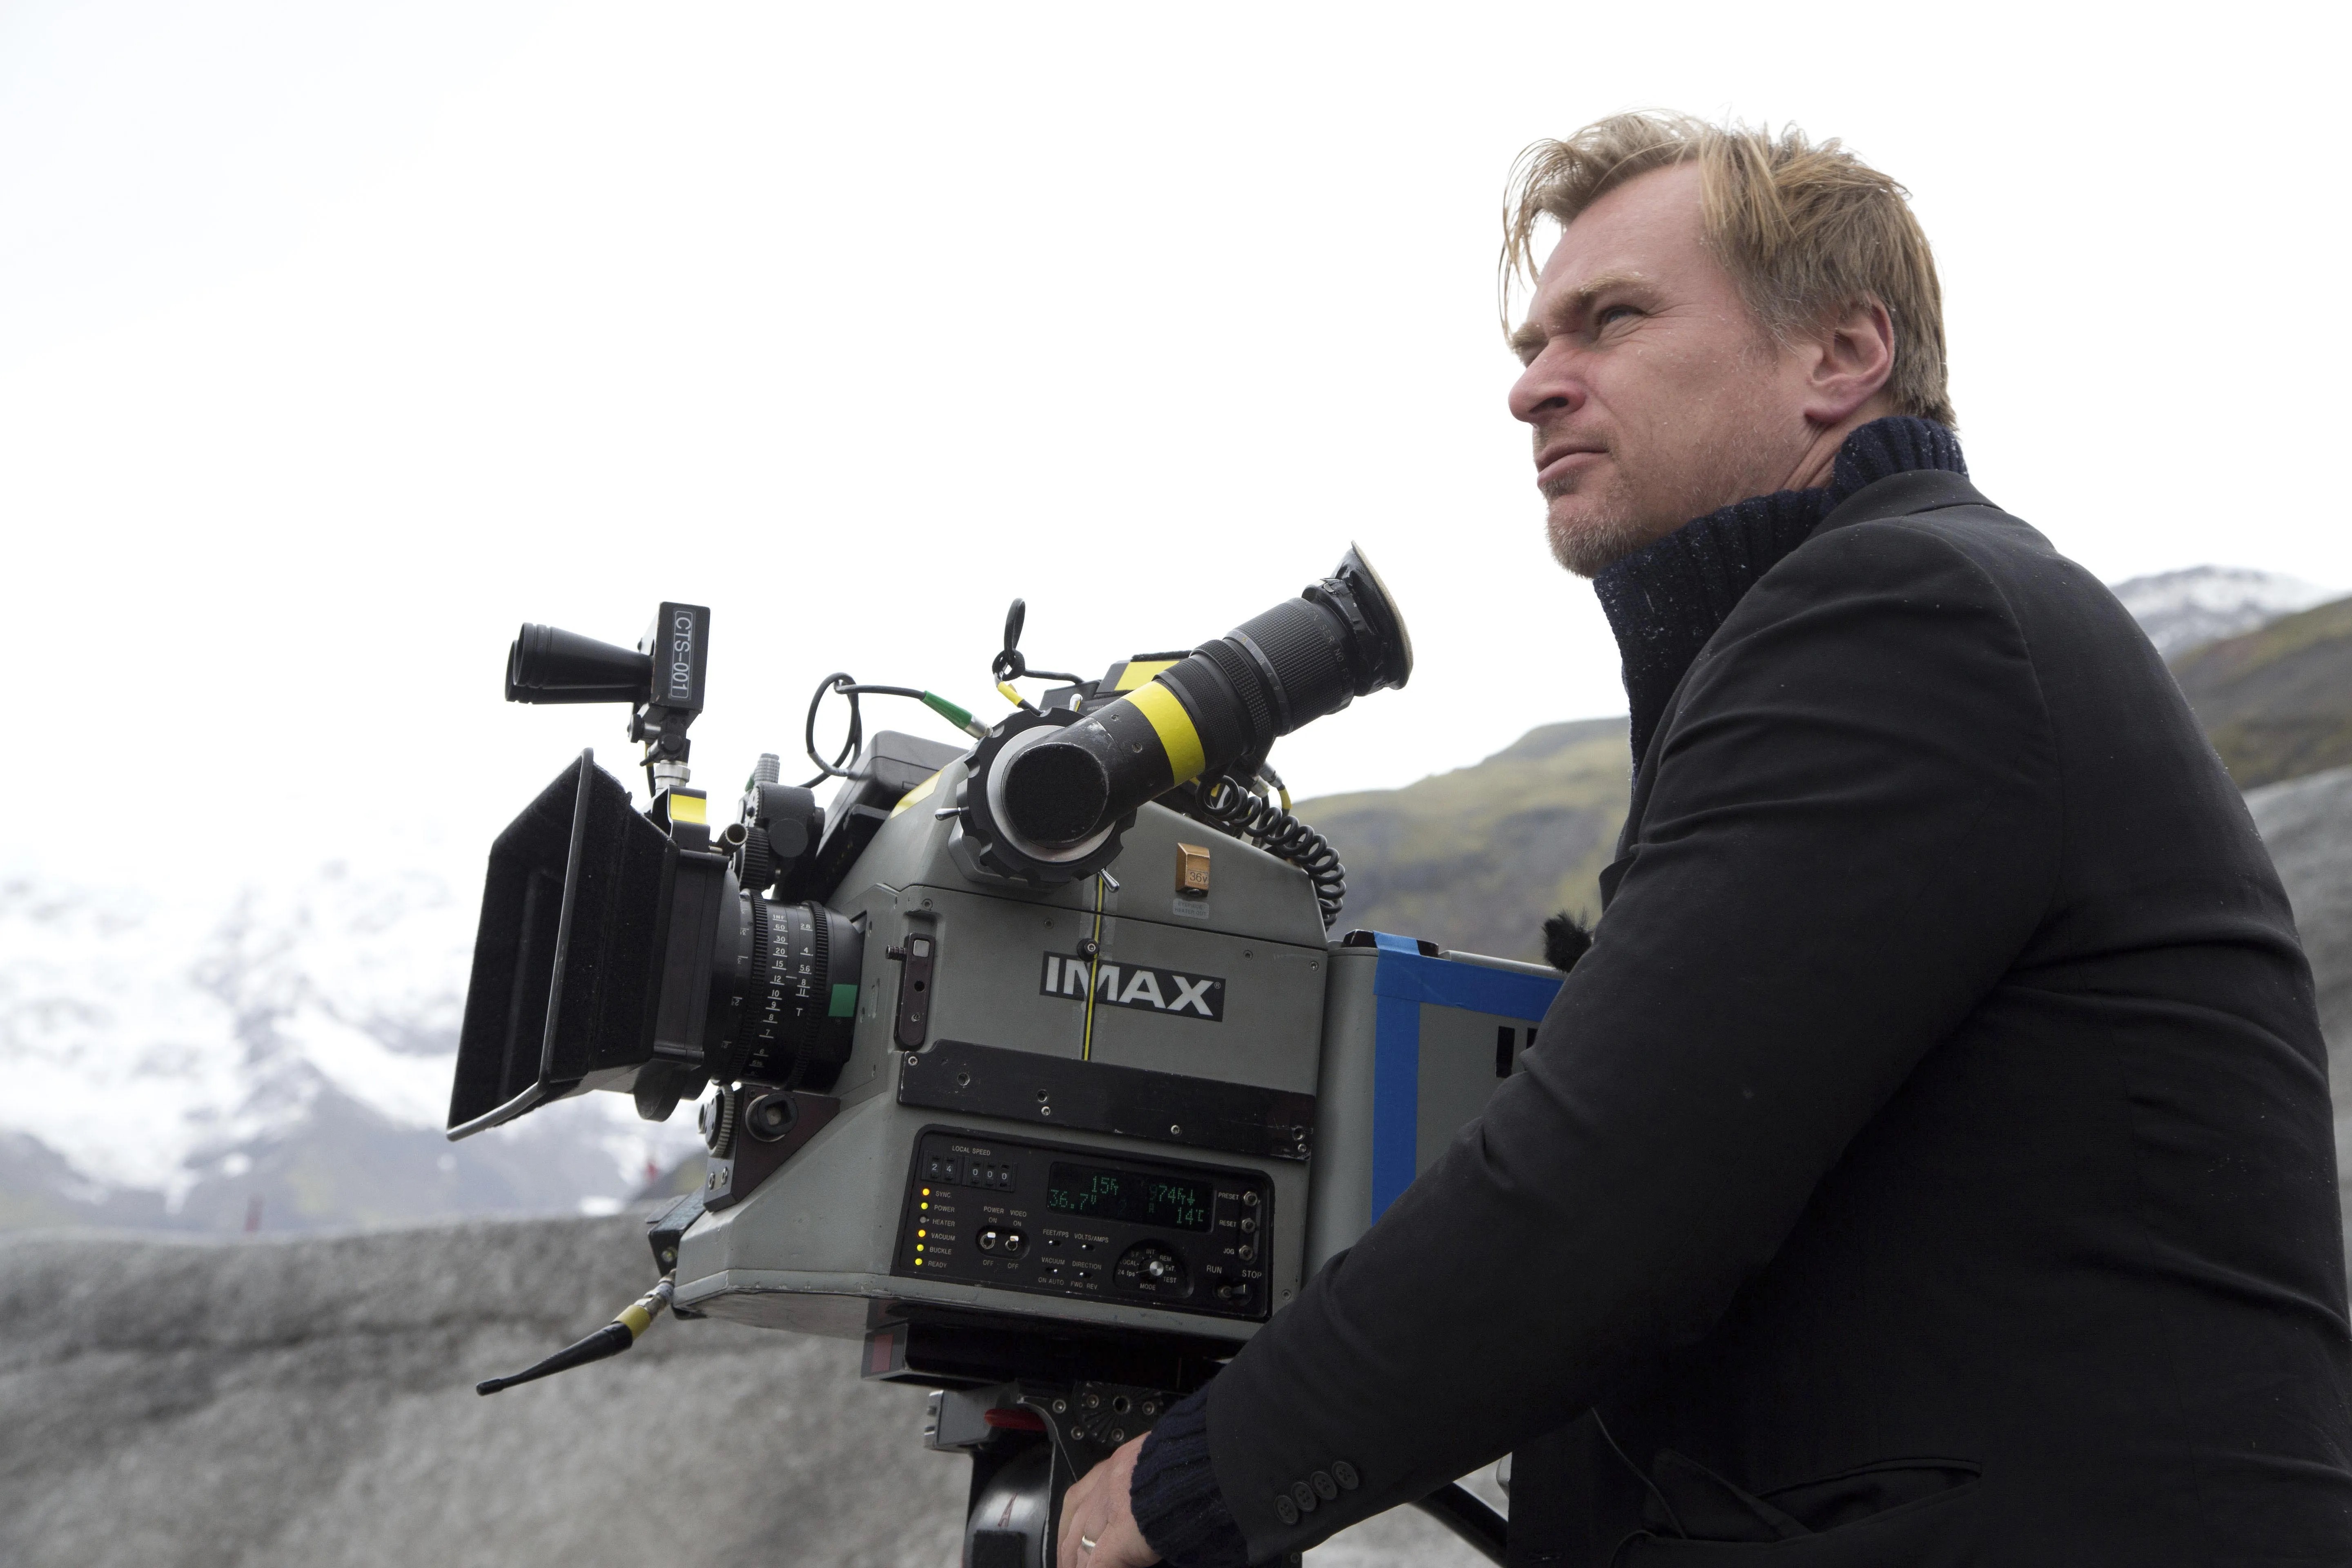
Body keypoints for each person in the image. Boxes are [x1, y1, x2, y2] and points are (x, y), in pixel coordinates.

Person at [1057, 112, 2352, 1567]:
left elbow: (1607, 1196)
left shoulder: (1906, 618)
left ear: (1841, 358)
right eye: (1532, 344)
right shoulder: (1873, 631)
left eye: (1610, 320)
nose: (1536, 388)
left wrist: (1182, 1487)